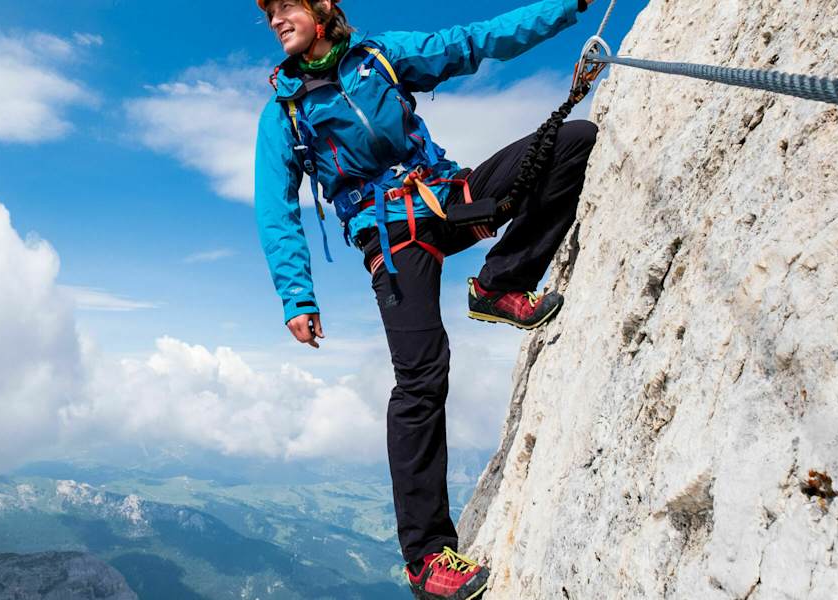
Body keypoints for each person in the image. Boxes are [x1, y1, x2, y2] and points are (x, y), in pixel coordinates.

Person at [253, 0, 599, 597]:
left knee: (572, 140)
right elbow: (275, 208)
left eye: (287, 6)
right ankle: (427, 559)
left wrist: (567, 7)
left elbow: (472, 41)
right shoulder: (283, 112)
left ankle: (499, 285)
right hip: (392, 236)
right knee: (421, 377)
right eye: (269, 13)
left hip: (446, 193)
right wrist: (296, 298)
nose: (276, 20)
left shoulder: (382, 58)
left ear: (322, 8)